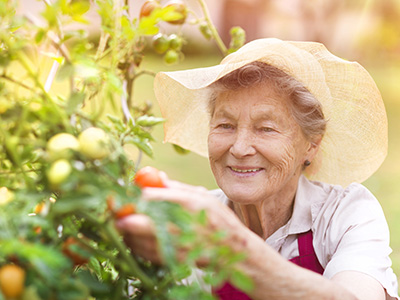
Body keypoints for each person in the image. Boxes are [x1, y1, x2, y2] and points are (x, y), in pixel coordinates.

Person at [117, 38, 399, 299]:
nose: (239, 148)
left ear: (311, 144)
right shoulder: (189, 223)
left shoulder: (344, 214)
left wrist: (231, 250)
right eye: (225, 125)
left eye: (266, 128)